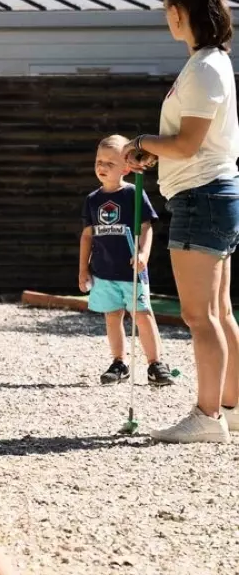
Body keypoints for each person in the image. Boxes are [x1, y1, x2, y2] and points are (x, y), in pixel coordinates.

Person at [123, 0, 239, 443]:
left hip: (202, 198)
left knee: (200, 315)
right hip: (210, 194)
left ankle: (207, 416)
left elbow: (188, 143)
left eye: (168, 8)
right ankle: (228, 408)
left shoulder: (206, 67)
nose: (166, 17)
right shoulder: (207, 63)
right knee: (220, 311)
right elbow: (190, 142)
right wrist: (154, 151)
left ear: (180, 11)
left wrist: (145, 142)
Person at [79, 135, 174, 388]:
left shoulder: (134, 193)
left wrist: (143, 254)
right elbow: (87, 236)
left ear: (126, 167)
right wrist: (83, 270)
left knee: (143, 315)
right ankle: (118, 363)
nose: (103, 166)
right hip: (104, 272)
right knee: (112, 317)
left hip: (131, 271)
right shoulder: (92, 200)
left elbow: (146, 227)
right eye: (99, 161)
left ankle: (155, 364)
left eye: (111, 162)